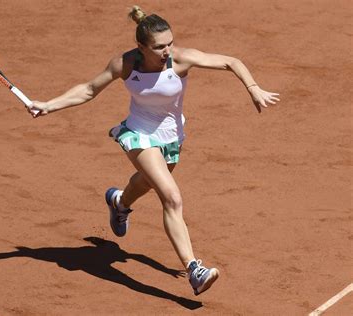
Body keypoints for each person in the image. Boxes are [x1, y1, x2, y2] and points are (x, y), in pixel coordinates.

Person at [27, 5, 280, 296]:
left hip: (172, 136)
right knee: (171, 197)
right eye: (160, 46)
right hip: (138, 134)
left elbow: (231, 62)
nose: (167, 50)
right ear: (141, 47)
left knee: (147, 182)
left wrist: (253, 87)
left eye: (170, 43)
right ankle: (194, 269)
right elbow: (88, 89)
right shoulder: (125, 64)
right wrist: (49, 104)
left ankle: (120, 202)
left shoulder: (181, 58)